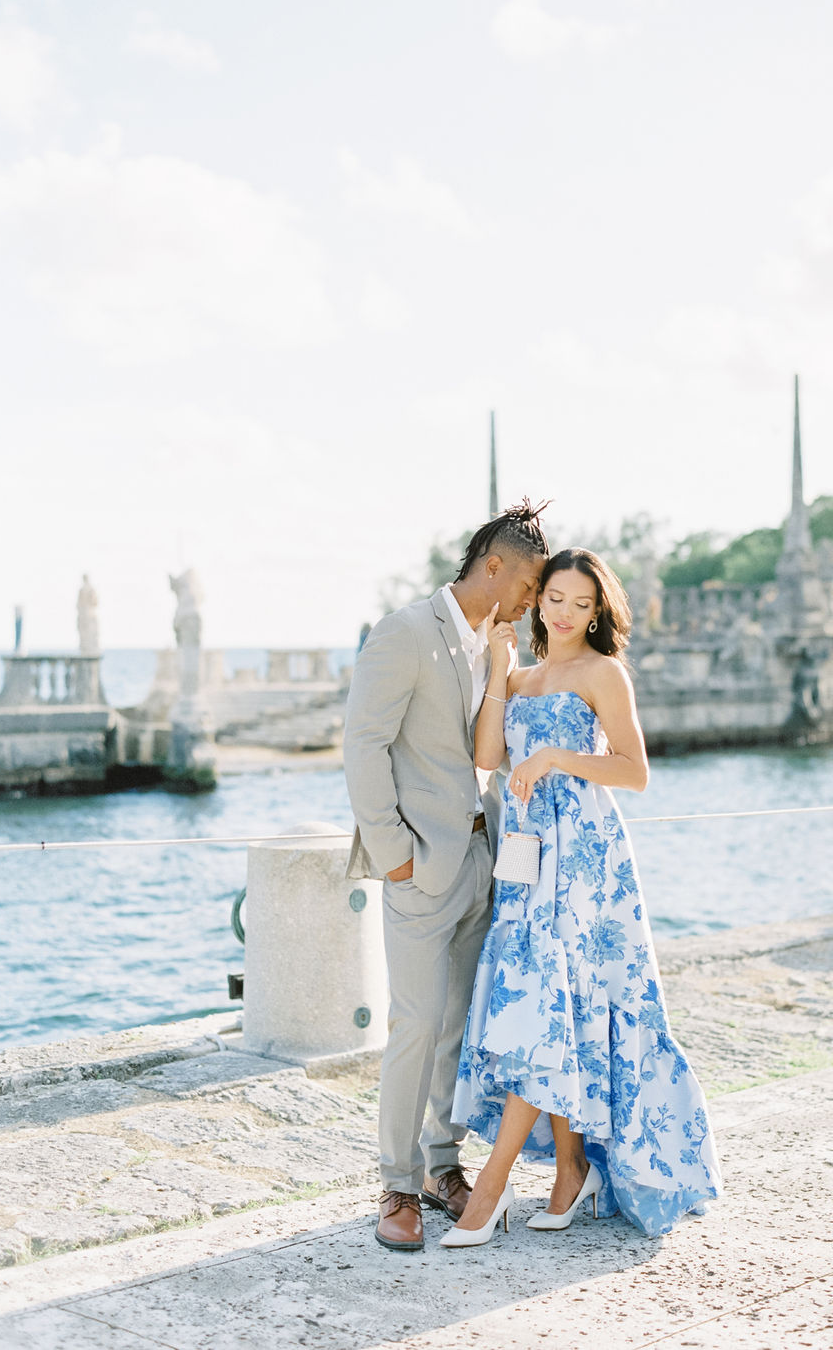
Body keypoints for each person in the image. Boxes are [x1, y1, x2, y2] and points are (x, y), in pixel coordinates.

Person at [444, 547, 723, 1247]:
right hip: (527, 859)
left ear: (598, 611)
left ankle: (491, 1186)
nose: (565, 611)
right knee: (552, 1007)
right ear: (538, 602)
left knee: (552, 1003)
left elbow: (635, 772)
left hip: (587, 862)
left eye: (581, 602)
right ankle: (571, 1169)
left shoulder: (604, 673)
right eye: (556, 598)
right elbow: (486, 758)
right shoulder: (526, 673)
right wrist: (502, 675)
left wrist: (559, 756)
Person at [343, 500, 550, 1253]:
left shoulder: (490, 647)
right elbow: (363, 747)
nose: (533, 603)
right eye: (529, 587)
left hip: (479, 861)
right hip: (420, 867)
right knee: (416, 1024)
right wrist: (393, 852)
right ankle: (396, 1183)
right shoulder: (403, 634)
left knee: (458, 1030)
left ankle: (439, 1166)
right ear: (493, 567)